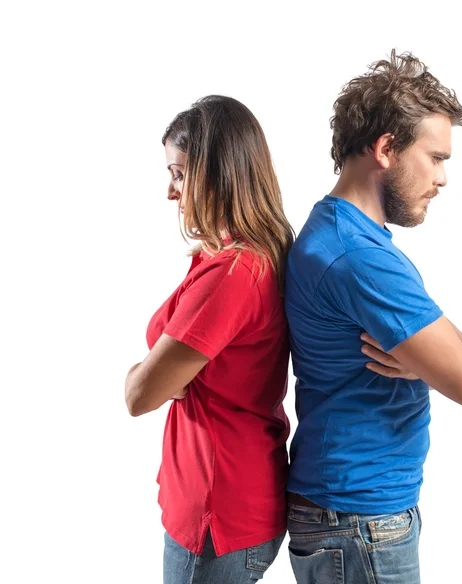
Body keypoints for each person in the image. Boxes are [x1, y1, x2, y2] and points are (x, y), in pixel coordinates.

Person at [284, 51, 462, 583]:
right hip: (359, 519)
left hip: (353, 513)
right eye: (436, 157)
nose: (442, 178)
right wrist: (432, 360)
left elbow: (459, 365)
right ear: (386, 148)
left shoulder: (337, 231)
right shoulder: (359, 256)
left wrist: (425, 357)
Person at [124, 95, 294, 584]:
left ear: (217, 173)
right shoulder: (238, 257)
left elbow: (139, 397)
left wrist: (141, 372)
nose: (171, 192)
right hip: (223, 500)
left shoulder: (233, 274)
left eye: (179, 174)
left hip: (219, 512)